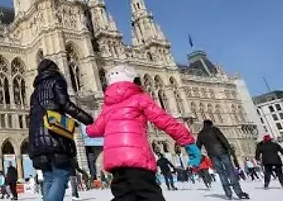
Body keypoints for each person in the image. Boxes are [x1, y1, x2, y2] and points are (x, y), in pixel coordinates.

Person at [86, 65, 201, 201]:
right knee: (150, 195)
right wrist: (186, 140)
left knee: (124, 196)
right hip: (137, 158)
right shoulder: (140, 98)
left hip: (115, 162)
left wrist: (83, 125)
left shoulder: (107, 107)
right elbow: (164, 120)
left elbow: (94, 130)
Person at [28, 59, 94, 201]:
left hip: (36, 138)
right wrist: (88, 119)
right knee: (61, 174)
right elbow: (65, 104)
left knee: (48, 178)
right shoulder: (56, 81)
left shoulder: (34, 92)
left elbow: (32, 115)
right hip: (54, 134)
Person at [196, 119, 250, 199]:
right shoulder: (214, 129)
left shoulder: (201, 134)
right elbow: (223, 139)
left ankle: (228, 193)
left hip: (212, 155)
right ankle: (239, 192)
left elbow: (198, 146)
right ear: (210, 124)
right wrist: (229, 149)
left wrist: (198, 156)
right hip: (222, 152)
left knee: (221, 174)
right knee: (230, 171)